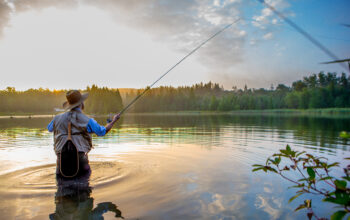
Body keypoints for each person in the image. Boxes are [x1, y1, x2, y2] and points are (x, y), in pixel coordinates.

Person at [47, 90, 120, 178]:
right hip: (81, 163)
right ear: (81, 103)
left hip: (61, 164)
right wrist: (114, 120)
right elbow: (102, 131)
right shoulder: (88, 120)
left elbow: (50, 129)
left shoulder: (56, 118)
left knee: (61, 188)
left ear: (69, 105)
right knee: (84, 188)